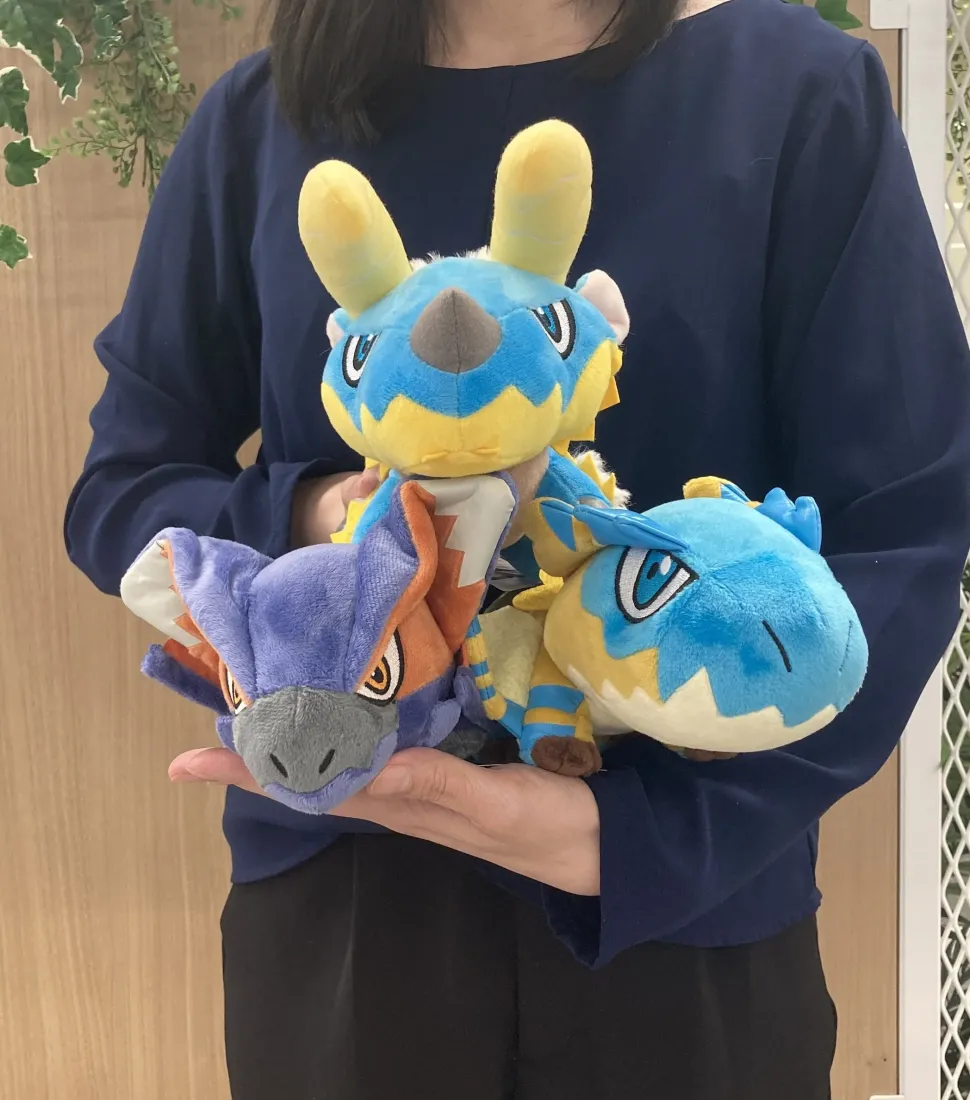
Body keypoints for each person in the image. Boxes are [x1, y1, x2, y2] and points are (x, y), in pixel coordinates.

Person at [64, 0, 970, 1096]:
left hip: (686, 905)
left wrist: (648, 837)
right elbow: (125, 490)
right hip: (344, 879)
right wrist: (332, 517)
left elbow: (903, 528)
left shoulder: (794, 96)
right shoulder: (256, 126)